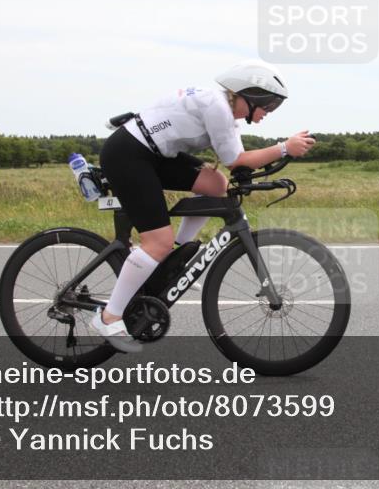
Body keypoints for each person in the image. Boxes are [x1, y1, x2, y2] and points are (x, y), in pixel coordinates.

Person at [91, 60, 315, 352]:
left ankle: (174, 263)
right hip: (130, 154)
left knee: (215, 185)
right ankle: (110, 316)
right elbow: (237, 161)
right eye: (268, 107)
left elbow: (236, 162)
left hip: (153, 152)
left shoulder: (224, 110)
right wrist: (284, 148)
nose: (267, 114)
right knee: (157, 242)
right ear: (252, 96)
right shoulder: (218, 108)